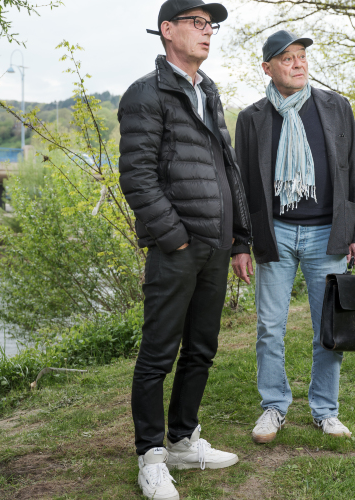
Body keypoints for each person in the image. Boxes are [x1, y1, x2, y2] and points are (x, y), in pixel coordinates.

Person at [118, 1, 252, 498]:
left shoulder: (207, 92)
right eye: (197, 23)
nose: (208, 32)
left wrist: (240, 238)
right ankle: (150, 455)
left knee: (201, 348)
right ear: (167, 30)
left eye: (210, 25)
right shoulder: (145, 94)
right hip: (176, 248)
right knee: (158, 354)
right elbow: (136, 175)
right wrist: (173, 236)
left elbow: (226, 171)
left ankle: (181, 438)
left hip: (216, 247)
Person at [232, 30, 355, 445]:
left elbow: (354, 172)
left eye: (301, 57)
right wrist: (240, 243)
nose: (297, 64)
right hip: (273, 233)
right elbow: (241, 188)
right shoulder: (252, 118)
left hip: (327, 233)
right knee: (269, 327)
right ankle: (273, 408)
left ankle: (326, 410)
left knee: (329, 325)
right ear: (267, 68)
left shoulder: (335, 107)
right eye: (287, 58)